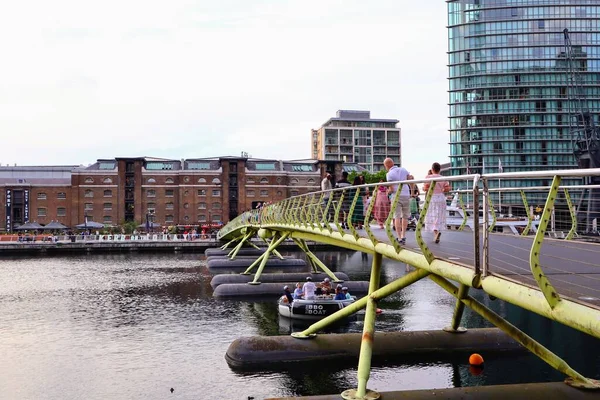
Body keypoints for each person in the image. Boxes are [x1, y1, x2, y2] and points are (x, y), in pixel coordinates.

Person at [384, 158, 413, 245]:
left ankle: (399, 238)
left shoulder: (389, 174)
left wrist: (387, 192)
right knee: (405, 216)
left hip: (396, 196)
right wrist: (411, 192)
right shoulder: (403, 169)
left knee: (397, 216)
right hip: (406, 194)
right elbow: (411, 179)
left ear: (386, 165)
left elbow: (391, 189)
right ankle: (404, 236)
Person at [423, 162, 450, 243]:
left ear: (432, 169)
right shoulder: (443, 178)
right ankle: (437, 232)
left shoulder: (428, 177)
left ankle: (436, 232)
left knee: (432, 216)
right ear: (439, 170)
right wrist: (442, 189)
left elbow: (426, 188)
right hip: (441, 197)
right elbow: (448, 188)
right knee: (439, 216)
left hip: (432, 198)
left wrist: (424, 189)